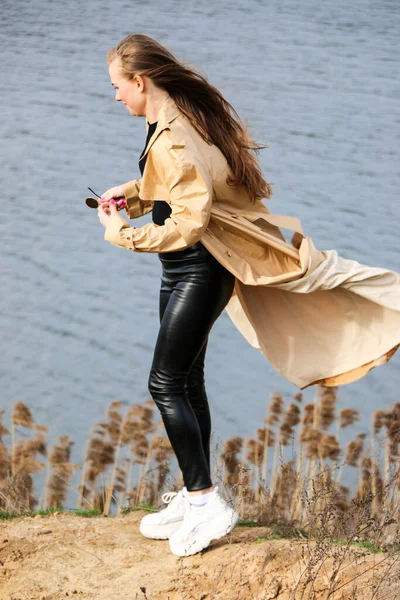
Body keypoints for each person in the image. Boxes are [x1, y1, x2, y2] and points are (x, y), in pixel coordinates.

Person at [96, 34, 400, 557]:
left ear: (140, 81)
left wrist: (123, 233)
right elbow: (191, 185)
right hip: (183, 270)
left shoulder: (174, 134)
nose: (116, 97)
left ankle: (206, 502)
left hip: (199, 268)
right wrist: (136, 193)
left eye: (118, 87)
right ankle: (194, 499)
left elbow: (190, 222)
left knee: (164, 382)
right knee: (187, 378)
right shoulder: (177, 118)